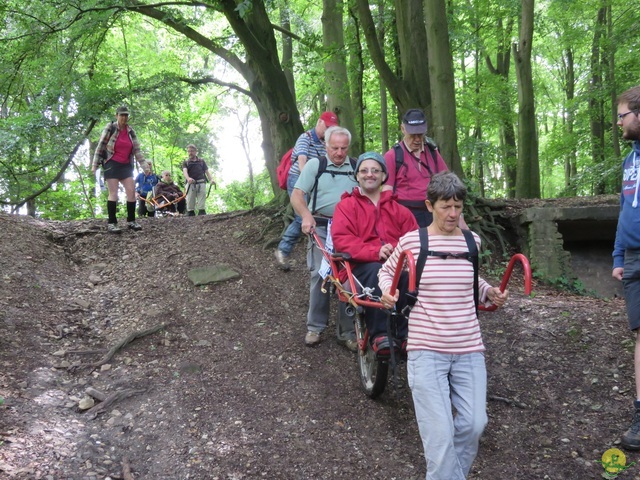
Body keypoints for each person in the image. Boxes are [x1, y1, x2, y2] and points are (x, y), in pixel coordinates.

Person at [378, 172, 508, 480]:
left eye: (458, 207)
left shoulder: (471, 241)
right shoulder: (413, 240)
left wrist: (489, 292)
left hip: (468, 347)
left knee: (475, 424)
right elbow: (386, 272)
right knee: (440, 435)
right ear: (430, 205)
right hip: (426, 348)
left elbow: (472, 280)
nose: (452, 214)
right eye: (446, 207)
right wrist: (388, 291)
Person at [331, 151, 418, 354]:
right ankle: (381, 334)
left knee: (409, 276)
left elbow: (414, 239)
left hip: (397, 265)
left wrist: (394, 252)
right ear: (357, 175)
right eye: (364, 170)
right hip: (359, 267)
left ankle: (406, 334)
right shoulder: (346, 207)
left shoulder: (399, 210)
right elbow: (342, 241)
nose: (370, 174)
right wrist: (375, 251)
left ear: (383, 176)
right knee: (376, 270)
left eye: (375, 170)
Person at [290, 126, 358, 351]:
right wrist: (306, 215)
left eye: (343, 148)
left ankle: (348, 331)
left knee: (348, 275)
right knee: (321, 273)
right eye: (334, 148)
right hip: (320, 226)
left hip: (349, 230)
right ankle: (315, 327)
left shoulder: (357, 167)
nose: (339, 153)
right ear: (326, 146)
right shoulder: (315, 165)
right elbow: (297, 194)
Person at [275, 111, 339, 271]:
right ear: (319, 122)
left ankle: (321, 256)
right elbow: (302, 162)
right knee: (302, 216)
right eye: (327, 126)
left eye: (332, 128)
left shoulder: (326, 143)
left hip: (315, 183)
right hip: (298, 179)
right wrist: (309, 182)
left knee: (316, 216)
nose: (328, 130)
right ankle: (282, 251)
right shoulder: (305, 138)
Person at [613, 85, 640, 451]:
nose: (619, 122)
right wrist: (619, 256)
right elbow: (625, 208)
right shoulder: (629, 161)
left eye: (623, 115)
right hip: (633, 258)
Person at [383, 108, 460, 228]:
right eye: (413, 135)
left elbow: (448, 184)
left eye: (420, 134)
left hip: (433, 213)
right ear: (403, 129)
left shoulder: (432, 153)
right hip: (404, 214)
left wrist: (458, 217)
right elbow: (387, 190)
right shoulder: (392, 156)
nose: (418, 139)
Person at [92, 106, 146, 233]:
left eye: (126, 115)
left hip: (126, 164)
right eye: (121, 115)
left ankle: (131, 221)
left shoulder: (131, 132)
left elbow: (137, 150)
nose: (124, 118)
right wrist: (95, 165)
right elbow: (101, 145)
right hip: (111, 163)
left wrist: (144, 166)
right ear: (116, 116)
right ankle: (112, 223)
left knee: (131, 191)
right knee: (114, 193)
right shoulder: (110, 128)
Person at [182, 144, 216, 216]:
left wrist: (211, 180)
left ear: (195, 151)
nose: (190, 153)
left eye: (192, 151)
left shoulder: (201, 161)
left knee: (202, 197)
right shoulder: (186, 162)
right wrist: (188, 178)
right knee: (190, 198)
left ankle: (202, 211)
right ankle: (190, 212)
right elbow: (185, 172)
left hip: (201, 182)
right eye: (188, 151)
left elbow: (207, 172)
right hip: (191, 183)